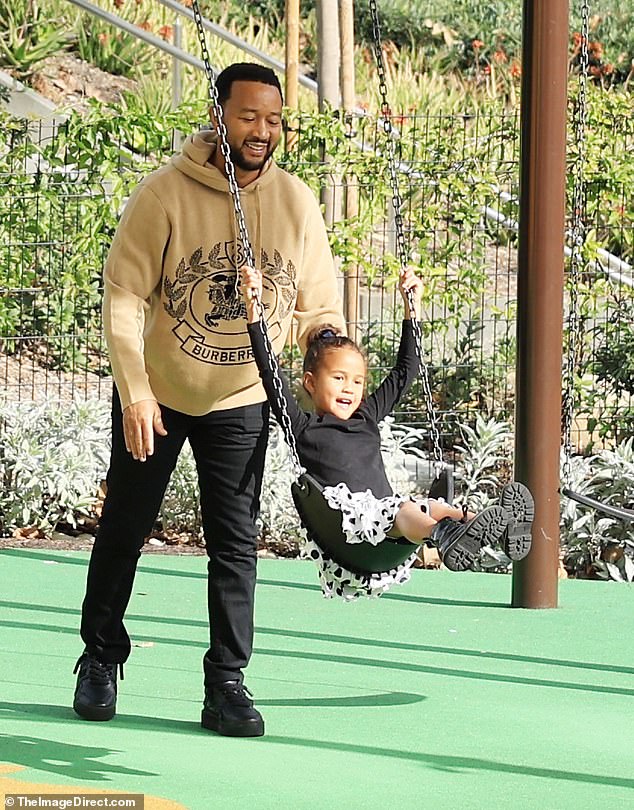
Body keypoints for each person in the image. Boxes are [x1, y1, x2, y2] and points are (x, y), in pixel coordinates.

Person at [72, 63, 346, 738]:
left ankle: (226, 682)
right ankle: (100, 657)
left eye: (274, 119)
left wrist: (334, 349)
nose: (263, 131)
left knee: (234, 546)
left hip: (245, 397)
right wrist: (135, 390)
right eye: (249, 116)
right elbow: (124, 296)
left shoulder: (296, 202)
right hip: (160, 395)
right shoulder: (164, 194)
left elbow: (319, 306)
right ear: (219, 113)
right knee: (125, 530)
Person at [241, 264, 534, 594]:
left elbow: (404, 373)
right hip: (350, 530)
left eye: (357, 381)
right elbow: (271, 375)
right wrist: (255, 314)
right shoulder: (303, 426)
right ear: (310, 382)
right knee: (408, 510)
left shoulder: (366, 417)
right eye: (338, 378)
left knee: (433, 507)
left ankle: (495, 527)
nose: (349, 388)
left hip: (386, 523)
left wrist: (413, 310)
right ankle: (445, 535)